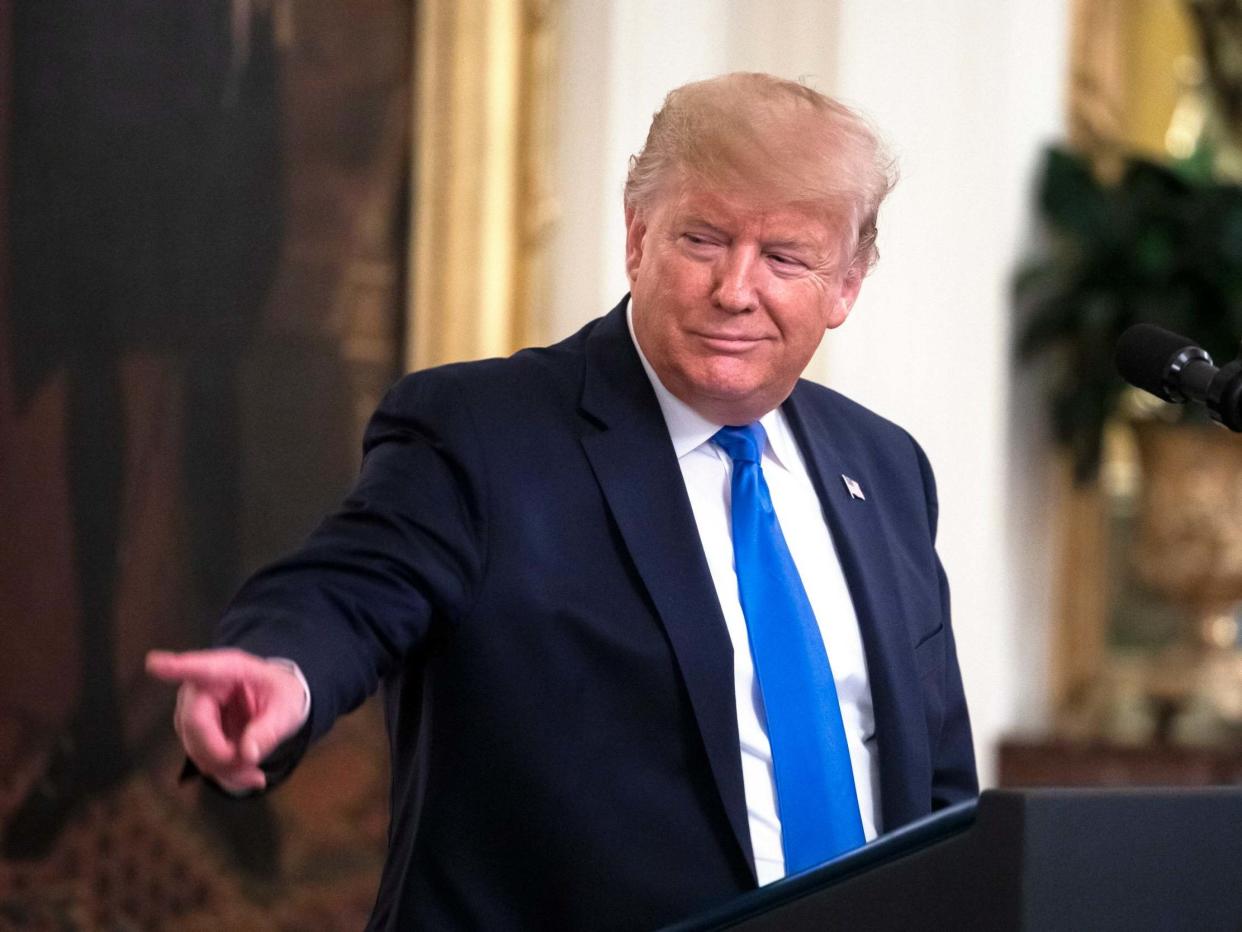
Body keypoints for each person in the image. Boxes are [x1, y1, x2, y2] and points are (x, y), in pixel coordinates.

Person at [147, 72, 977, 930]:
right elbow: (348, 589)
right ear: (636, 236)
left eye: (784, 258)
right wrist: (285, 672)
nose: (736, 289)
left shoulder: (886, 469)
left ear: (846, 284)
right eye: (702, 239)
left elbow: (935, 781)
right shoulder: (481, 434)